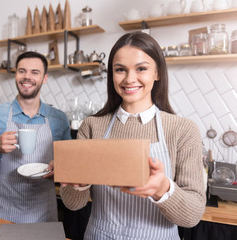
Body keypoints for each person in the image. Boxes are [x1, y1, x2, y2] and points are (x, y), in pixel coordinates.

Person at [59, 32, 206, 239]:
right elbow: (73, 204)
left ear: (158, 73)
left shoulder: (182, 130)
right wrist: (79, 183)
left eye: (141, 68)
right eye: (120, 70)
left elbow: (192, 216)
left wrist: (162, 188)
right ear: (112, 74)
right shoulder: (92, 126)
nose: (129, 79)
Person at [0, 51, 71, 223]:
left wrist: (60, 168)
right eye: (22, 71)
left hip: (44, 214)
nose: (27, 77)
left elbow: (71, 165)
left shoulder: (58, 119)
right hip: (4, 212)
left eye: (34, 72)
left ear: (45, 78)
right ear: (15, 75)